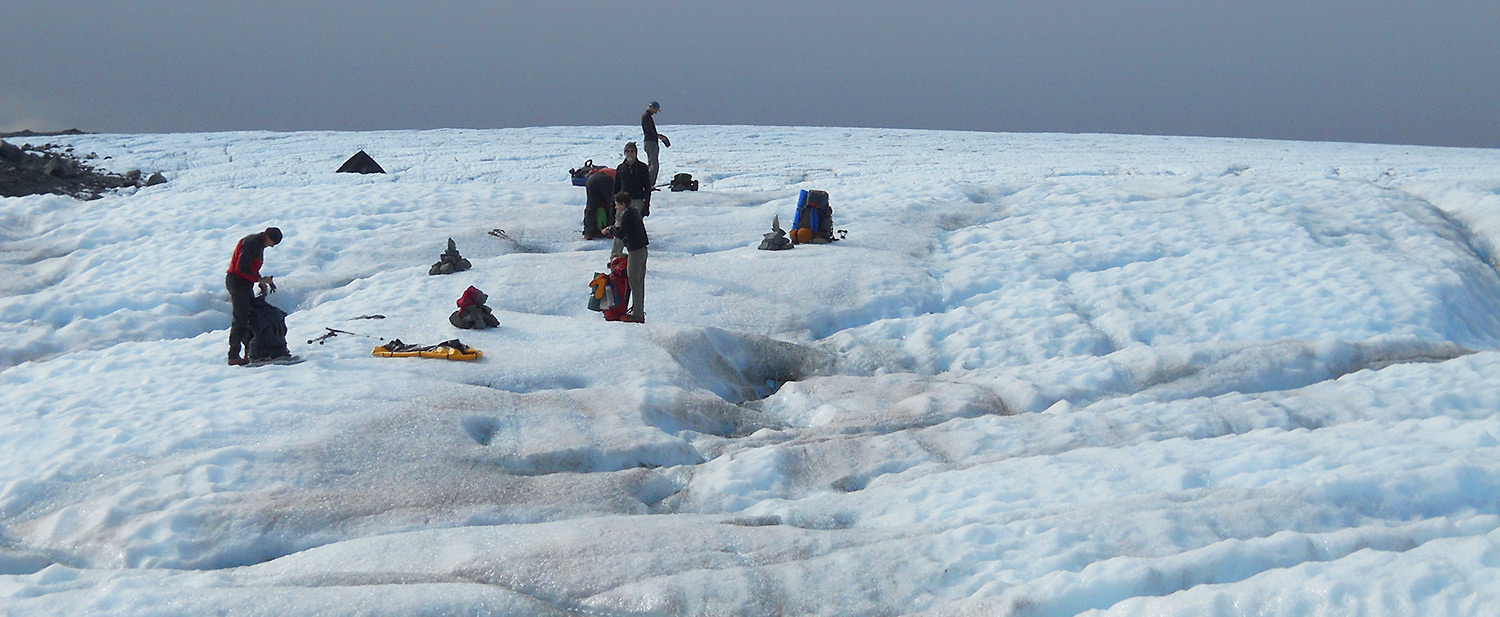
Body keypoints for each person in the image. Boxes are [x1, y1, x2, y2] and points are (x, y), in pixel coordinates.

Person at [226, 226, 282, 365]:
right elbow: (241, 268)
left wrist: (260, 280)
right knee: (240, 318)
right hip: (237, 282)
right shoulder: (251, 243)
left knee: (249, 315)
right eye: (272, 243)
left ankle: (252, 350)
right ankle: (233, 355)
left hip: (244, 283)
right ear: (267, 237)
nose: (272, 246)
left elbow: (251, 268)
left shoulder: (258, 244)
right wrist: (259, 280)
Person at [603, 192, 648, 323]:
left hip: (636, 252)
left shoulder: (627, 215)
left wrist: (611, 231)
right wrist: (613, 228)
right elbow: (625, 229)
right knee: (639, 282)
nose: (616, 207)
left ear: (623, 204)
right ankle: (637, 311)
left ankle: (637, 315)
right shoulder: (633, 212)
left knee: (634, 282)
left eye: (617, 205)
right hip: (642, 250)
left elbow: (622, 234)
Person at [614, 141, 652, 219]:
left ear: (635, 153)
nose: (630, 153)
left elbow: (647, 187)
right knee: (619, 225)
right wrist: (614, 204)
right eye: (627, 151)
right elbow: (616, 187)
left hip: (637, 200)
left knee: (635, 226)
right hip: (622, 202)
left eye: (632, 151)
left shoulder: (642, 167)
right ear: (625, 153)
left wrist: (646, 205)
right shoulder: (621, 168)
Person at [583, 166, 616, 239]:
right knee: (611, 206)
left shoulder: (602, 170)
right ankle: (610, 232)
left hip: (591, 180)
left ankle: (588, 232)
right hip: (606, 181)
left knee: (591, 206)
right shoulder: (616, 174)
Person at [641, 101, 669, 186]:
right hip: (650, 142)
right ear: (652, 107)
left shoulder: (647, 116)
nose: (656, 112)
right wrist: (659, 136)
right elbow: (650, 131)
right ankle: (649, 184)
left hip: (649, 142)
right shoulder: (646, 117)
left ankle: (648, 183)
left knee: (651, 164)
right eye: (656, 110)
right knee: (654, 165)